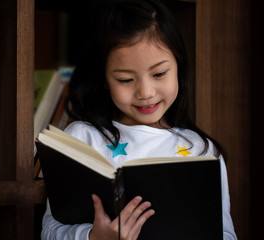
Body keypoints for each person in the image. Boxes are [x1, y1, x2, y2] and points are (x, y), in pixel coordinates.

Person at [41, 0, 237, 239]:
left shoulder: (201, 150)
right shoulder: (83, 139)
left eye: (159, 74)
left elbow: (225, 234)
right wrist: (93, 236)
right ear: (104, 79)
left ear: (179, 67)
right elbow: (51, 231)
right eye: (125, 79)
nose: (145, 92)